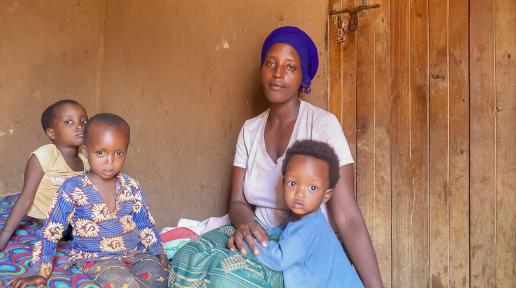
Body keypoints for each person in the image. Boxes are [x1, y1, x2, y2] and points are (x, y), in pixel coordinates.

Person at [170, 26, 383, 287]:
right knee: (186, 258)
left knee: (225, 276)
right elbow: (237, 202)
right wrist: (247, 225)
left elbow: (347, 216)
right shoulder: (250, 129)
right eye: (270, 63)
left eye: (290, 67)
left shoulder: (323, 125)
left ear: (303, 76)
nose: (278, 73)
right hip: (255, 227)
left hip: (297, 241)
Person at [10, 113, 170, 288]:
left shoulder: (131, 185)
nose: (110, 161)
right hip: (95, 258)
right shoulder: (73, 187)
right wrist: (40, 272)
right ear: (86, 151)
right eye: (100, 153)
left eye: (118, 153)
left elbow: (145, 223)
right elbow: (51, 230)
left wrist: (159, 252)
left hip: (135, 253)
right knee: (123, 282)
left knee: (160, 275)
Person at [255, 139, 363, 287]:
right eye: (292, 183)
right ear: (283, 184)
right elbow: (285, 231)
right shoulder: (311, 219)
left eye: (312, 188)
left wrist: (250, 241)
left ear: (326, 195)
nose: (300, 193)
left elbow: (279, 259)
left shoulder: (307, 230)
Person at [0, 100, 89, 250]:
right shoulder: (45, 154)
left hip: (74, 219)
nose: (79, 126)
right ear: (51, 133)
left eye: (84, 121)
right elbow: (26, 197)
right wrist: (4, 234)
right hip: (51, 221)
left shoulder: (85, 161)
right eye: (69, 122)